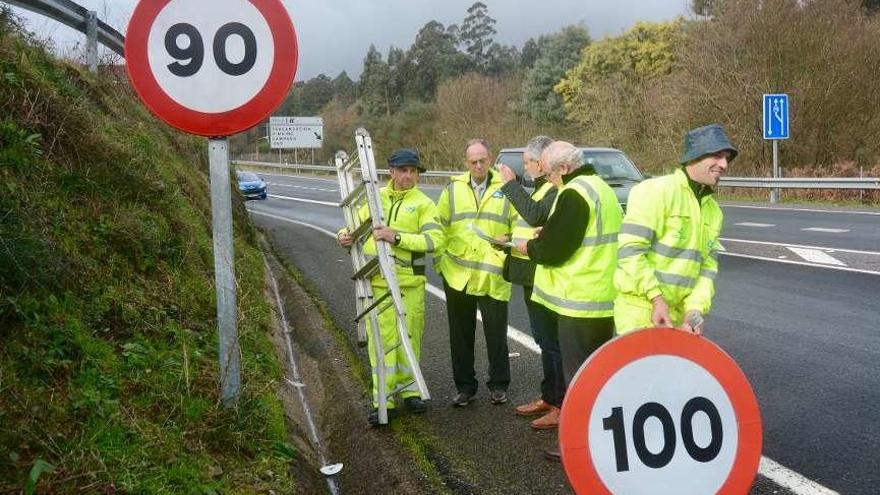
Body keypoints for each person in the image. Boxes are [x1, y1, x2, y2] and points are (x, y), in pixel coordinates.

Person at [514, 141, 623, 459]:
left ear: (563, 168)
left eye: (548, 173)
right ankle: (597, 441)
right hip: (599, 296)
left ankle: (579, 447)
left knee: (579, 381)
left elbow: (557, 251)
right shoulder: (599, 187)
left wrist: (529, 248)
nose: (548, 180)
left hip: (580, 299)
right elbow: (579, 234)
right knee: (593, 376)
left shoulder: (575, 193)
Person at [337, 148, 445, 425]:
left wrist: (396, 237)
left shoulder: (424, 203)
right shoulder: (375, 199)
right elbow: (351, 227)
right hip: (378, 283)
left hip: (409, 284)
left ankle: (410, 393)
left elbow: (434, 241)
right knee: (381, 344)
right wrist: (343, 236)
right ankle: (382, 401)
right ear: (392, 172)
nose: (409, 176)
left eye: (413, 171)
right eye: (404, 171)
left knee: (409, 340)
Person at [614, 123, 737, 335]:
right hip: (641, 311)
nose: (724, 164)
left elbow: (707, 269)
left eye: (727, 157)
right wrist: (656, 299)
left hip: (679, 318)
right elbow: (630, 252)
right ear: (694, 156)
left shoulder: (713, 211)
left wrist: (694, 311)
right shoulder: (655, 191)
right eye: (717, 156)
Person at [435, 139, 517, 407]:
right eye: (473, 162)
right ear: (466, 162)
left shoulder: (506, 186)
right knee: (460, 335)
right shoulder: (453, 188)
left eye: (483, 160)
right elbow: (438, 227)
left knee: (496, 333)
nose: (479, 166)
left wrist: (512, 235)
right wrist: (440, 263)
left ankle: (498, 386)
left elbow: (521, 223)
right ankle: (465, 388)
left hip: (491, 273)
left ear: (490, 158)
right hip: (458, 273)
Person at [495, 136, 565, 430]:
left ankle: (561, 404)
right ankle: (550, 396)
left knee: (551, 342)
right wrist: (509, 242)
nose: (524, 168)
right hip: (528, 274)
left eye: (527, 163)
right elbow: (531, 227)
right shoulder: (539, 189)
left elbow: (536, 215)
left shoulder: (554, 190)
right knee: (542, 339)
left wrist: (510, 184)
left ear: (541, 163)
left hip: (544, 276)